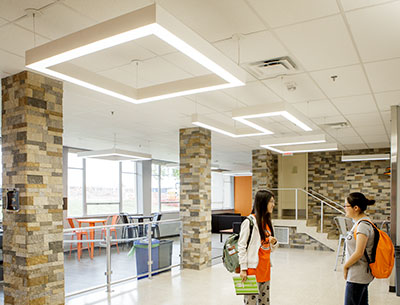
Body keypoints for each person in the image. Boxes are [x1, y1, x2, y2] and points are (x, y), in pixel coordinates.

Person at [238, 190, 278, 305]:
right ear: (262, 202)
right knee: (250, 303)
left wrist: (274, 243)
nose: (273, 205)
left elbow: (271, 247)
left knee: (264, 302)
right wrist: (243, 269)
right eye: (271, 201)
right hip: (252, 270)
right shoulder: (249, 222)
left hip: (265, 270)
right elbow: (241, 246)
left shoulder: (268, 222)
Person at [343, 192, 376, 305]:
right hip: (360, 275)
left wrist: (345, 266)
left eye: (346, 206)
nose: (344, 209)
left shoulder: (363, 225)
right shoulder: (359, 223)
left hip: (357, 276)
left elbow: (359, 252)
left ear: (355, 208)